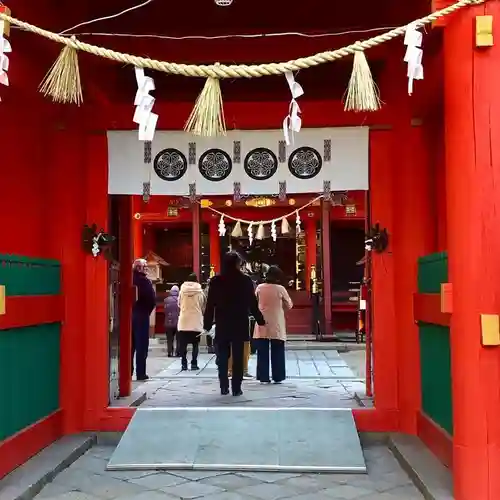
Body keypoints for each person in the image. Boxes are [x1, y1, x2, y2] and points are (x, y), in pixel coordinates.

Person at [204, 251, 265, 396]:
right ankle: (236, 387)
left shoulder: (216, 281)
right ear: (238, 264)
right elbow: (252, 303)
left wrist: (207, 323)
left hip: (222, 321)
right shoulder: (245, 280)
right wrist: (260, 319)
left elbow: (210, 304)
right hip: (239, 321)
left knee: (222, 356)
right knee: (238, 356)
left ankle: (223, 385)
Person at [254, 265, 293, 384]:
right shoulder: (280, 289)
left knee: (262, 351)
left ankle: (263, 376)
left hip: (262, 321)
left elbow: (254, 302)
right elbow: (289, 305)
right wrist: (280, 310)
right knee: (278, 350)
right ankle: (278, 376)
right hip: (276, 321)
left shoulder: (260, 287)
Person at [132, 258, 156, 381]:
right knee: (141, 346)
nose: (146, 269)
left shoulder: (128, 279)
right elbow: (152, 300)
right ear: (139, 268)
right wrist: (146, 311)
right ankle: (140, 373)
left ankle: (127, 371)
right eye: (145, 267)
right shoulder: (145, 282)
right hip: (141, 314)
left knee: (129, 346)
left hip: (128, 315)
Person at [178, 273, 205, 371]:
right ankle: (194, 363)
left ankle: (184, 364)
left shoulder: (182, 291)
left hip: (184, 320)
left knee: (183, 344)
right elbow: (202, 305)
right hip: (195, 320)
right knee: (195, 344)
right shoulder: (199, 291)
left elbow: (179, 303)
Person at [164, 285, 180, 357]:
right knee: (179, 338)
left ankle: (169, 352)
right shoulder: (180, 300)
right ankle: (178, 352)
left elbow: (165, 311)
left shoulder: (166, 300)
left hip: (168, 322)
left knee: (169, 339)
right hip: (178, 322)